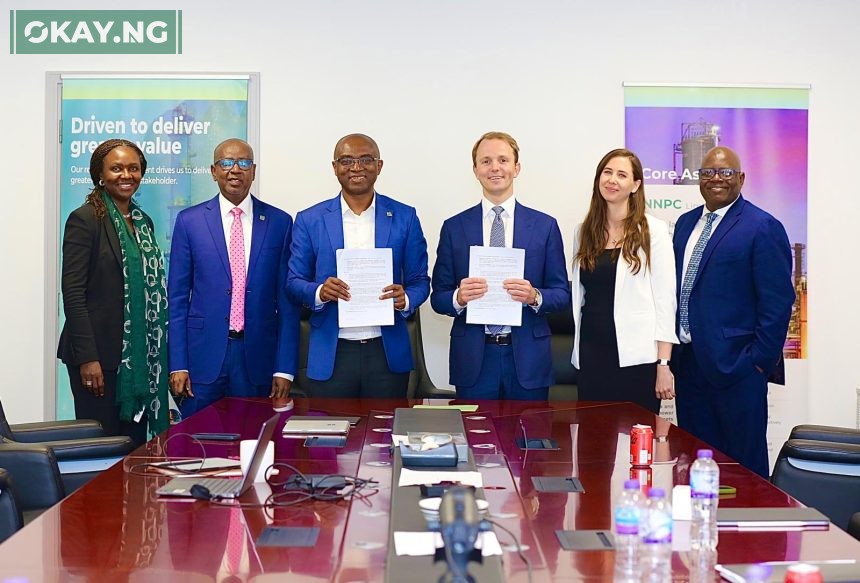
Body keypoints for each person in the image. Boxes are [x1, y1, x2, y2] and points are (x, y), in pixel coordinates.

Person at [671, 146, 794, 478]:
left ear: (741, 178)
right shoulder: (684, 225)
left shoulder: (762, 226)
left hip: (738, 370)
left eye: (725, 173)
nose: (716, 179)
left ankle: (750, 530)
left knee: (744, 471)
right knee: (696, 467)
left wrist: (756, 363)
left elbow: (778, 302)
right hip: (689, 367)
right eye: (708, 172)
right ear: (698, 179)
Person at [286, 134, 430, 398]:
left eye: (366, 160)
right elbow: (294, 281)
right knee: (329, 435)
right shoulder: (309, 219)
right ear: (334, 167)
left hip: (386, 353)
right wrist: (320, 292)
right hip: (332, 352)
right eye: (347, 160)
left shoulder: (404, 216)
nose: (356, 167)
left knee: (383, 435)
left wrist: (405, 298)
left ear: (379, 165)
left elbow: (421, 281)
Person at [430, 131, 570, 400]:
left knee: (528, 439)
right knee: (475, 438)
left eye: (503, 160)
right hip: (474, 358)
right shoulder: (454, 227)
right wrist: (459, 297)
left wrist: (535, 296)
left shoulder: (544, 226)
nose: (495, 167)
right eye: (486, 161)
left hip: (528, 358)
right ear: (475, 170)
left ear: (516, 168)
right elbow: (439, 298)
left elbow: (561, 294)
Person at [168, 138, 299, 417]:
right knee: (197, 446)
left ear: (253, 170)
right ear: (213, 171)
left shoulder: (280, 222)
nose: (235, 170)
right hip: (202, 357)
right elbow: (177, 299)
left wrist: (285, 368)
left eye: (243, 163)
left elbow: (288, 304)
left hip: (257, 358)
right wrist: (178, 363)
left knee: (254, 442)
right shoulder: (189, 221)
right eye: (226, 163)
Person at [58, 139, 168, 444]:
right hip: (99, 360)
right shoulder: (86, 220)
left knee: (133, 447)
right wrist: (88, 359)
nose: (126, 175)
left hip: (138, 358)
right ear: (100, 175)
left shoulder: (143, 222)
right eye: (116, 168)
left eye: (133, 168)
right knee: (102, 448)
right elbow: (73, 293)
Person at [570, 148, 678, 413]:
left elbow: (665, 301)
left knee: (635, 443)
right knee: (593, 443)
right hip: (591, 354)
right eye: (607, 173)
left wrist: (663, 365)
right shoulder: (583, 231)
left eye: (621, 175)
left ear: (635, 185)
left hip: (636, 359)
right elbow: (580, 294)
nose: (612, 180)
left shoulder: (653, 230)